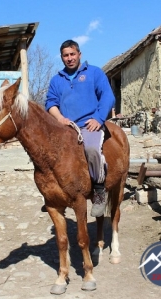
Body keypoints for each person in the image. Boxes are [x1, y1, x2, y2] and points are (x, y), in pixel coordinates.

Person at [45, 39, 115, 217]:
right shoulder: (56, 80)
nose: (69, 58)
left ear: (79, 54)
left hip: (89, 125)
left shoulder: (94, 73)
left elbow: (107, 96)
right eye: (66, 55)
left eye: (72, 54)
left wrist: (99, 118)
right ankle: (54, 193)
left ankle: (99, 191)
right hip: (66, 127)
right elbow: (51, 103)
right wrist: (60, 118)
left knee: (91, 149)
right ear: (61, 57)